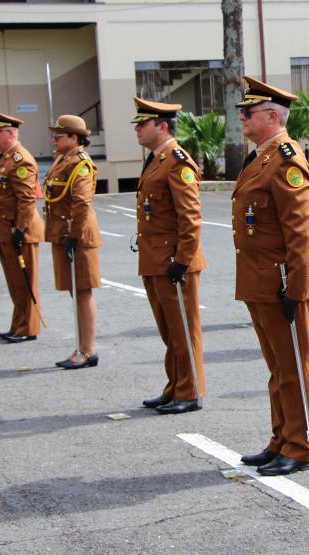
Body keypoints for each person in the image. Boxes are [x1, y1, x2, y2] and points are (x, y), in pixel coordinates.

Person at [232, 77, 309, 477]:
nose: (241, 117)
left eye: (248, 112)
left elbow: (300, 232)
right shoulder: (260, 157)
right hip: (259, 279)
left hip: (282, 281)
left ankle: (299, 446)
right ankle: (281, 438)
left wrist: (296, 287)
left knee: (292, 368)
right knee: (277, 368)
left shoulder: (285, 159)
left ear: (272, 116)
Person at [132, 97, 207, 415]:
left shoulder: (176, 161)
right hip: (155, 259)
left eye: (143, 123)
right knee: (169, 329)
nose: (137, 128)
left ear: (161, 127)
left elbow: (190, 216)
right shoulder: (156, 159)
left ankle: (190, 391)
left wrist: (183, 259)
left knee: (183, 329)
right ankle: (175, 385)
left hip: (173, 261)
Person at [42, 115, 101, 369]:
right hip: (63, 234)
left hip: (76, 236)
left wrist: (74, 237)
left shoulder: (80, 164)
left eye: (59, 135)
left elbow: (82, 203)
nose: (54, 139)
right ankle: (81, 346)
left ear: (74, 138)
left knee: (82, 292)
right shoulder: (62, 160)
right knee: (74, 292)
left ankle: (87, 350)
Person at [0, 110, 44, 343]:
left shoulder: (21, 160)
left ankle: (27, 328)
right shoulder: (6, 157)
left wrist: (20, 229)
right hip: (4, 230)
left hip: (18, 231)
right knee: (15, 281)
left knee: (24, 281)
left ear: (11, 133)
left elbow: (27, 199)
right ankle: (18, 324)